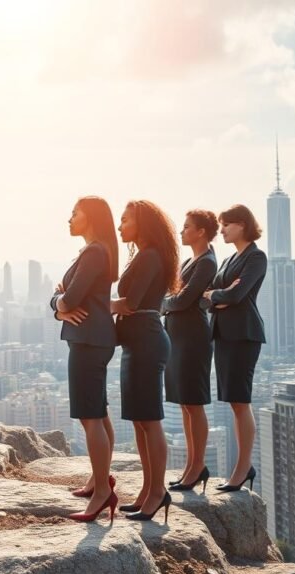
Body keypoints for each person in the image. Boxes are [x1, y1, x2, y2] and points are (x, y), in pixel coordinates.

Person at [51, 196, 119, 523]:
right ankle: (99, 480)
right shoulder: (96, 250)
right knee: (98, 413)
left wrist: (60, 302)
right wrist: (59, 303)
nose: (69, 218)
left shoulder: (95, 252)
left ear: (89, 217)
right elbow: (62, 298)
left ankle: (104, 493)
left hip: (89, 339)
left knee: (89, 416)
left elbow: (70, 297)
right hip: (93, 337)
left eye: (74, 212)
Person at [111, 200, 180, 523]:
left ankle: (157, 492)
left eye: (125, 220)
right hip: (135, 343)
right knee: (139, 421)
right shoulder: (143, 255)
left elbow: (132, 302)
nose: (120, 226)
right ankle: (147, 488)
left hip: (148, 342)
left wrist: (94, 303)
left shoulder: (151, 255)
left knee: (150, 420)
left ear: (143, 223)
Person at [202, 204, 267, 492]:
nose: (222, 230)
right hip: (223, 335)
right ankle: (243, 468)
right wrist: (220, 296)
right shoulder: (229, 260)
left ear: (242, 224)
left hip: (243, 335)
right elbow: (212, 297)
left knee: (241, 401)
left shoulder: (256, 257)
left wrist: (219, 295)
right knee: (233, 401)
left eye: (226, 224)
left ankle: (243, 468)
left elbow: (238, 294)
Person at [163, 210, 219, 493]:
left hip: (193, 338)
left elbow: (183, 299)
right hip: (177, 336)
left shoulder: (207, 262)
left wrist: (165, 303)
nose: (181, 232)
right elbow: (174, 295)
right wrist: (170, 301)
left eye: (186, 227)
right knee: (185, 402)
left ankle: (198, 466)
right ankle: (191, 465)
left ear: (201, 232)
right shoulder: (190, 261)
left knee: (194, 403)